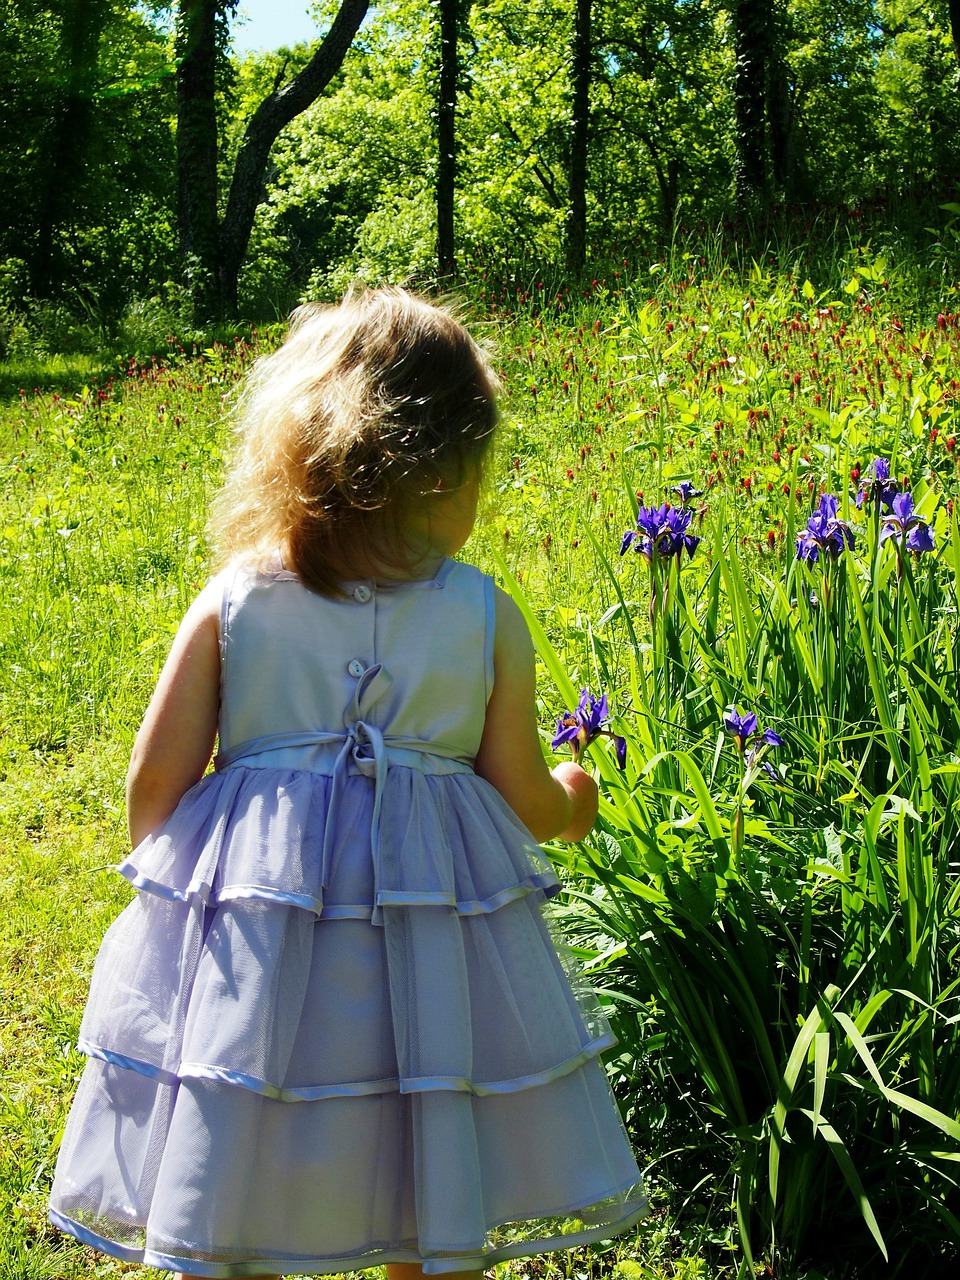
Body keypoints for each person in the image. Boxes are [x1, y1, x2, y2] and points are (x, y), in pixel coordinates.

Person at [49, 288, 647, 1279]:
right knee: (422, 1119)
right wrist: (573, 795)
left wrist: (186, 891)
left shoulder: (239, 593)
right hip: (426, 947)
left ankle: (240, 1241)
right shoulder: (482, 612)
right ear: (443, 466)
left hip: (262, 940)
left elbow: (153, 780)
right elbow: (521, 794)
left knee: (246, 1098)